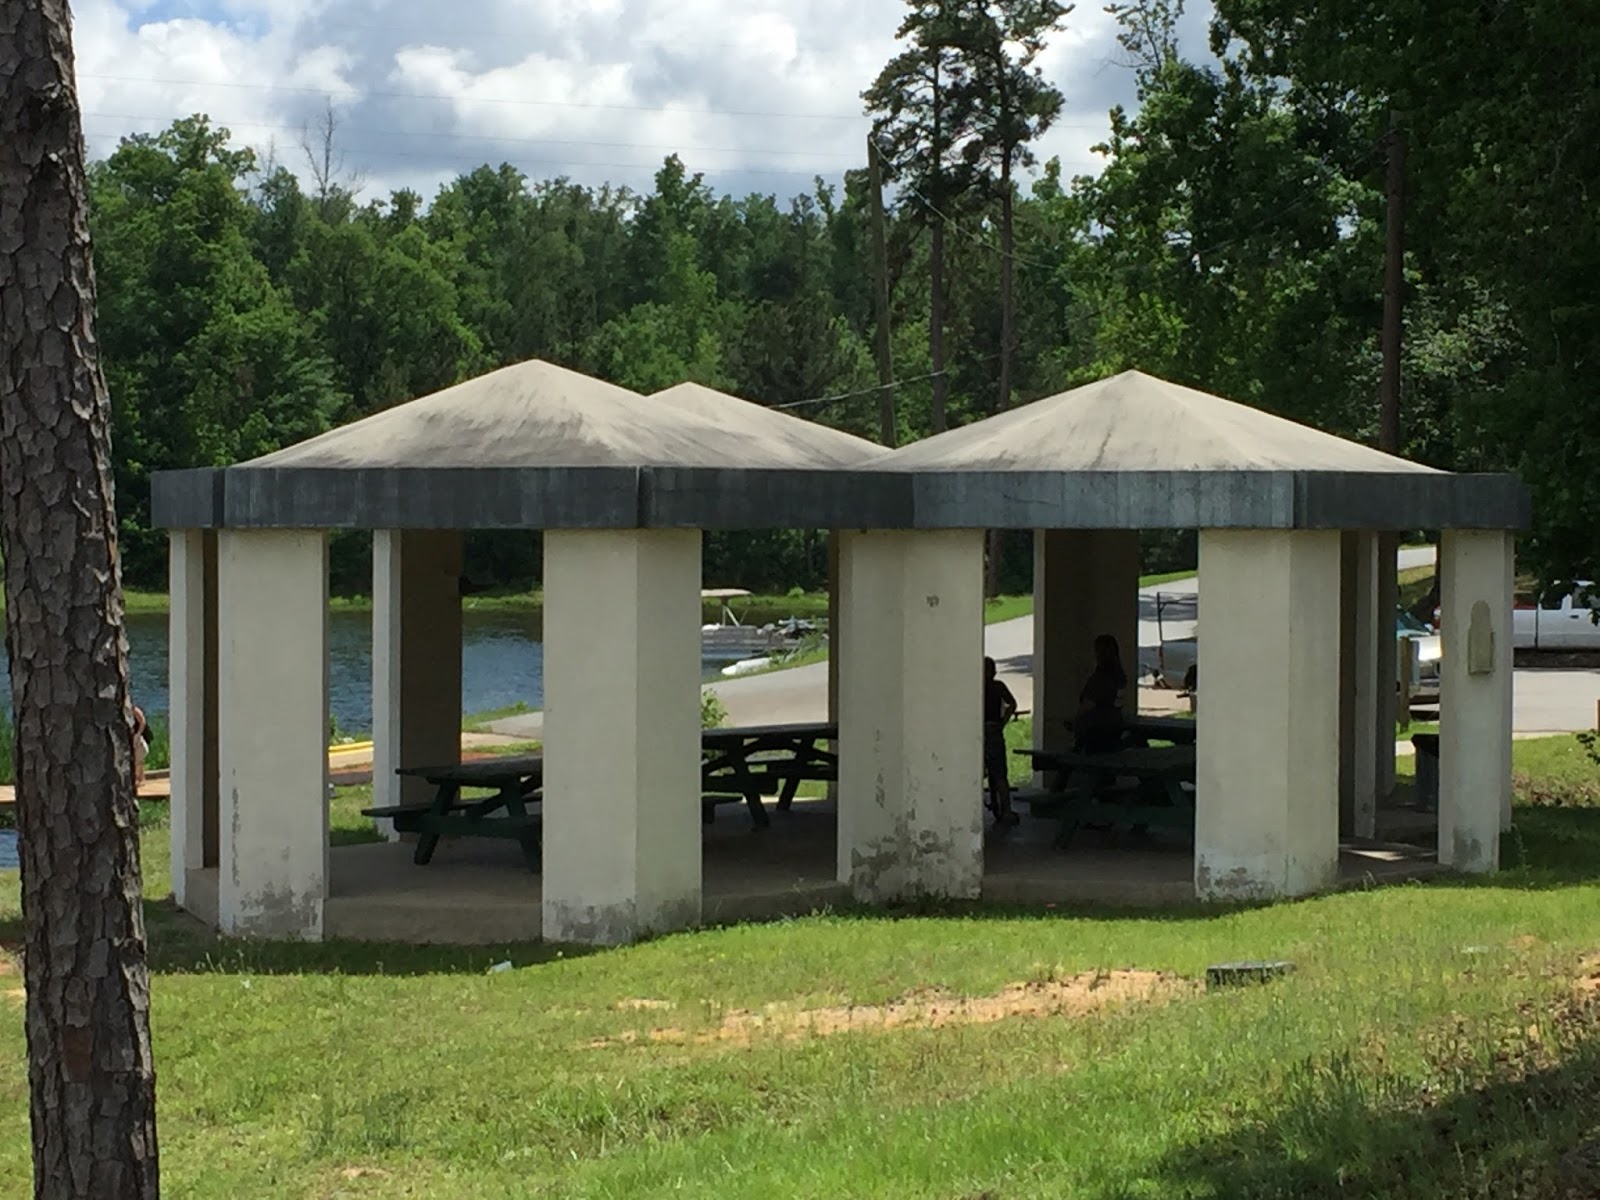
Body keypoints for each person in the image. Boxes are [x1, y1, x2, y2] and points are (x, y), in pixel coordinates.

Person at [1074, 634, 1127, 754]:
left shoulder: (1100, 679)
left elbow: (1088, 704)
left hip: (1096, 731)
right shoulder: (1119, 677)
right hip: (1115, 728)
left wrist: (1076, 719)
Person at [983, 656, 1019, 825]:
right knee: (999, 773)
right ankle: (1006, 810)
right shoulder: (998, 686)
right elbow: (1012, 704)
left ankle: (994, 805)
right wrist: (1003, 722)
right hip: (994, 729)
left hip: (978, 731)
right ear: (993, 671)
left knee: (988, 773)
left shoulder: (976, 687)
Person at [130, 704, 150, 790]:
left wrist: (138, 734)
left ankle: (138, 779)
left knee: (138, 759)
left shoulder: (134, 710)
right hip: (132, 736)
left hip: (138, 736)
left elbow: (142, 721)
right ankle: (140, 778)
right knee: (137, 760)